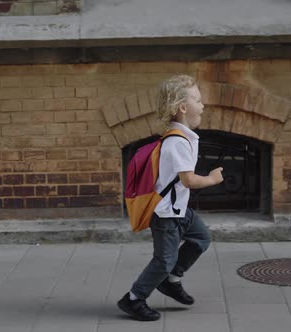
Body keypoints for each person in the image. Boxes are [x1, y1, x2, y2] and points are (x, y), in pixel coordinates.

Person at [117, 75, 224, 321]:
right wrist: (211, 179)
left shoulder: (183, 137)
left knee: (200, 239)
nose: (203, 105)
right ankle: (133, 299)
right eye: (198, 100)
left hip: (179, 210)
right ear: (183, 108)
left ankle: (171, 280)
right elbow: (188, 180)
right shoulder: (177, 142)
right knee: (164, 259)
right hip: (165, 214)